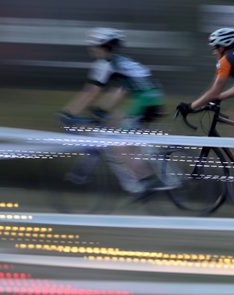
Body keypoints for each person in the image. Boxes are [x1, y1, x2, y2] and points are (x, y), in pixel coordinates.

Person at [59, 27, 166, 195]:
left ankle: (148, 181)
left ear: (102, 46)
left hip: (144, 100)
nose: (91, 49)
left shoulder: (105, 65)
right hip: (150, 98)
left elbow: (91, 93)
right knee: (117, 127)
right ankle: (141, 176)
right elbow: (120, 91)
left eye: (93, 46)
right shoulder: (119, 61)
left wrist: (68, 112)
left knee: (120, 144)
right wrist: (102, 110)